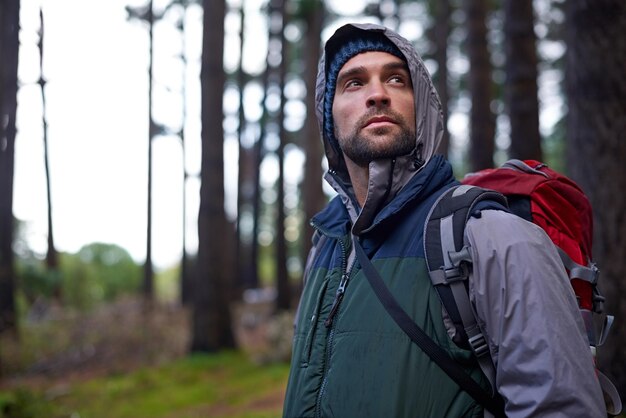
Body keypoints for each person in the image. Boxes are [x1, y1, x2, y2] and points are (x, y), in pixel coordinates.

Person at [282, 23, 606, 418]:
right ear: (329, 117)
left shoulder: (490, 235)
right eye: (353, 83)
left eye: (396, 79)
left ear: (422, 107)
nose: (378, 94)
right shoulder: (327, 242)